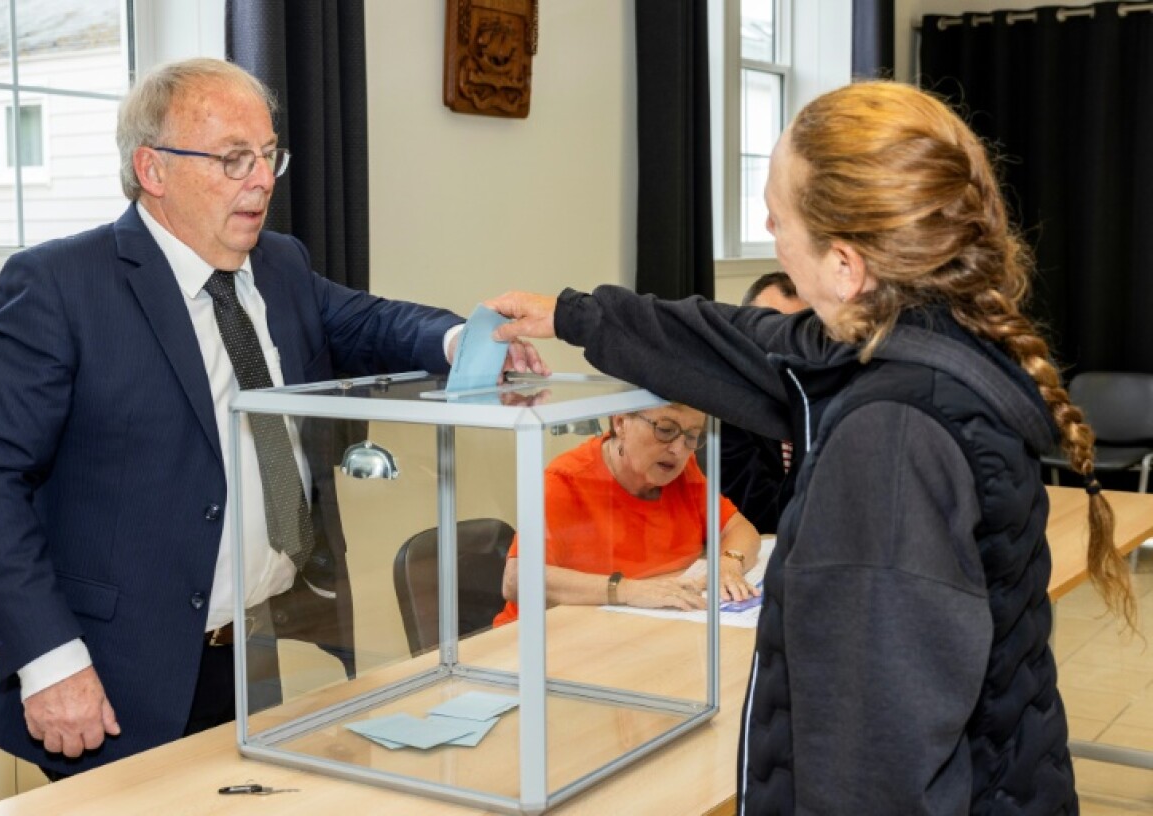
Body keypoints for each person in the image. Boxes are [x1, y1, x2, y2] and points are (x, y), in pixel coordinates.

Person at [485, 81, 1136, 813]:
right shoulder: (935, 342)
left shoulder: (888, 444)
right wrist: (577, 316)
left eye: (777, 214)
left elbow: (874, 763)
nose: (769, 230)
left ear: (844, 265)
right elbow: (751, 343)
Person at [0, 57, 545, 778]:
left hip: (264, 650)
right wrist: (48, 660)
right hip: (115, 673)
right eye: (233, 160)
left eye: (267, 155)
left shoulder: (279, 264)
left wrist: (469, 343)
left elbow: (374, 322)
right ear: (153, 169)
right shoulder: (61, 285)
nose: (261, 180)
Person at [492, 404, 762, 626]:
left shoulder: (683, 471)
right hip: (540, 643)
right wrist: (627, 591)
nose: (679, 450)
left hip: (634, 632)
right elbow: (517, 580)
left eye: (692, 436)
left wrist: (729, 563)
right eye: (665, 430)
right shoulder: (565, 480)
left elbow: (739, 528)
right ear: (620, 423)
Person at [720, 272, 807, 533]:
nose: (786, 346)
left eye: (799, 333)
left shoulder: (825, 396)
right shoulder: (728, 407)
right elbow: (756, 511)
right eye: (772, 330)